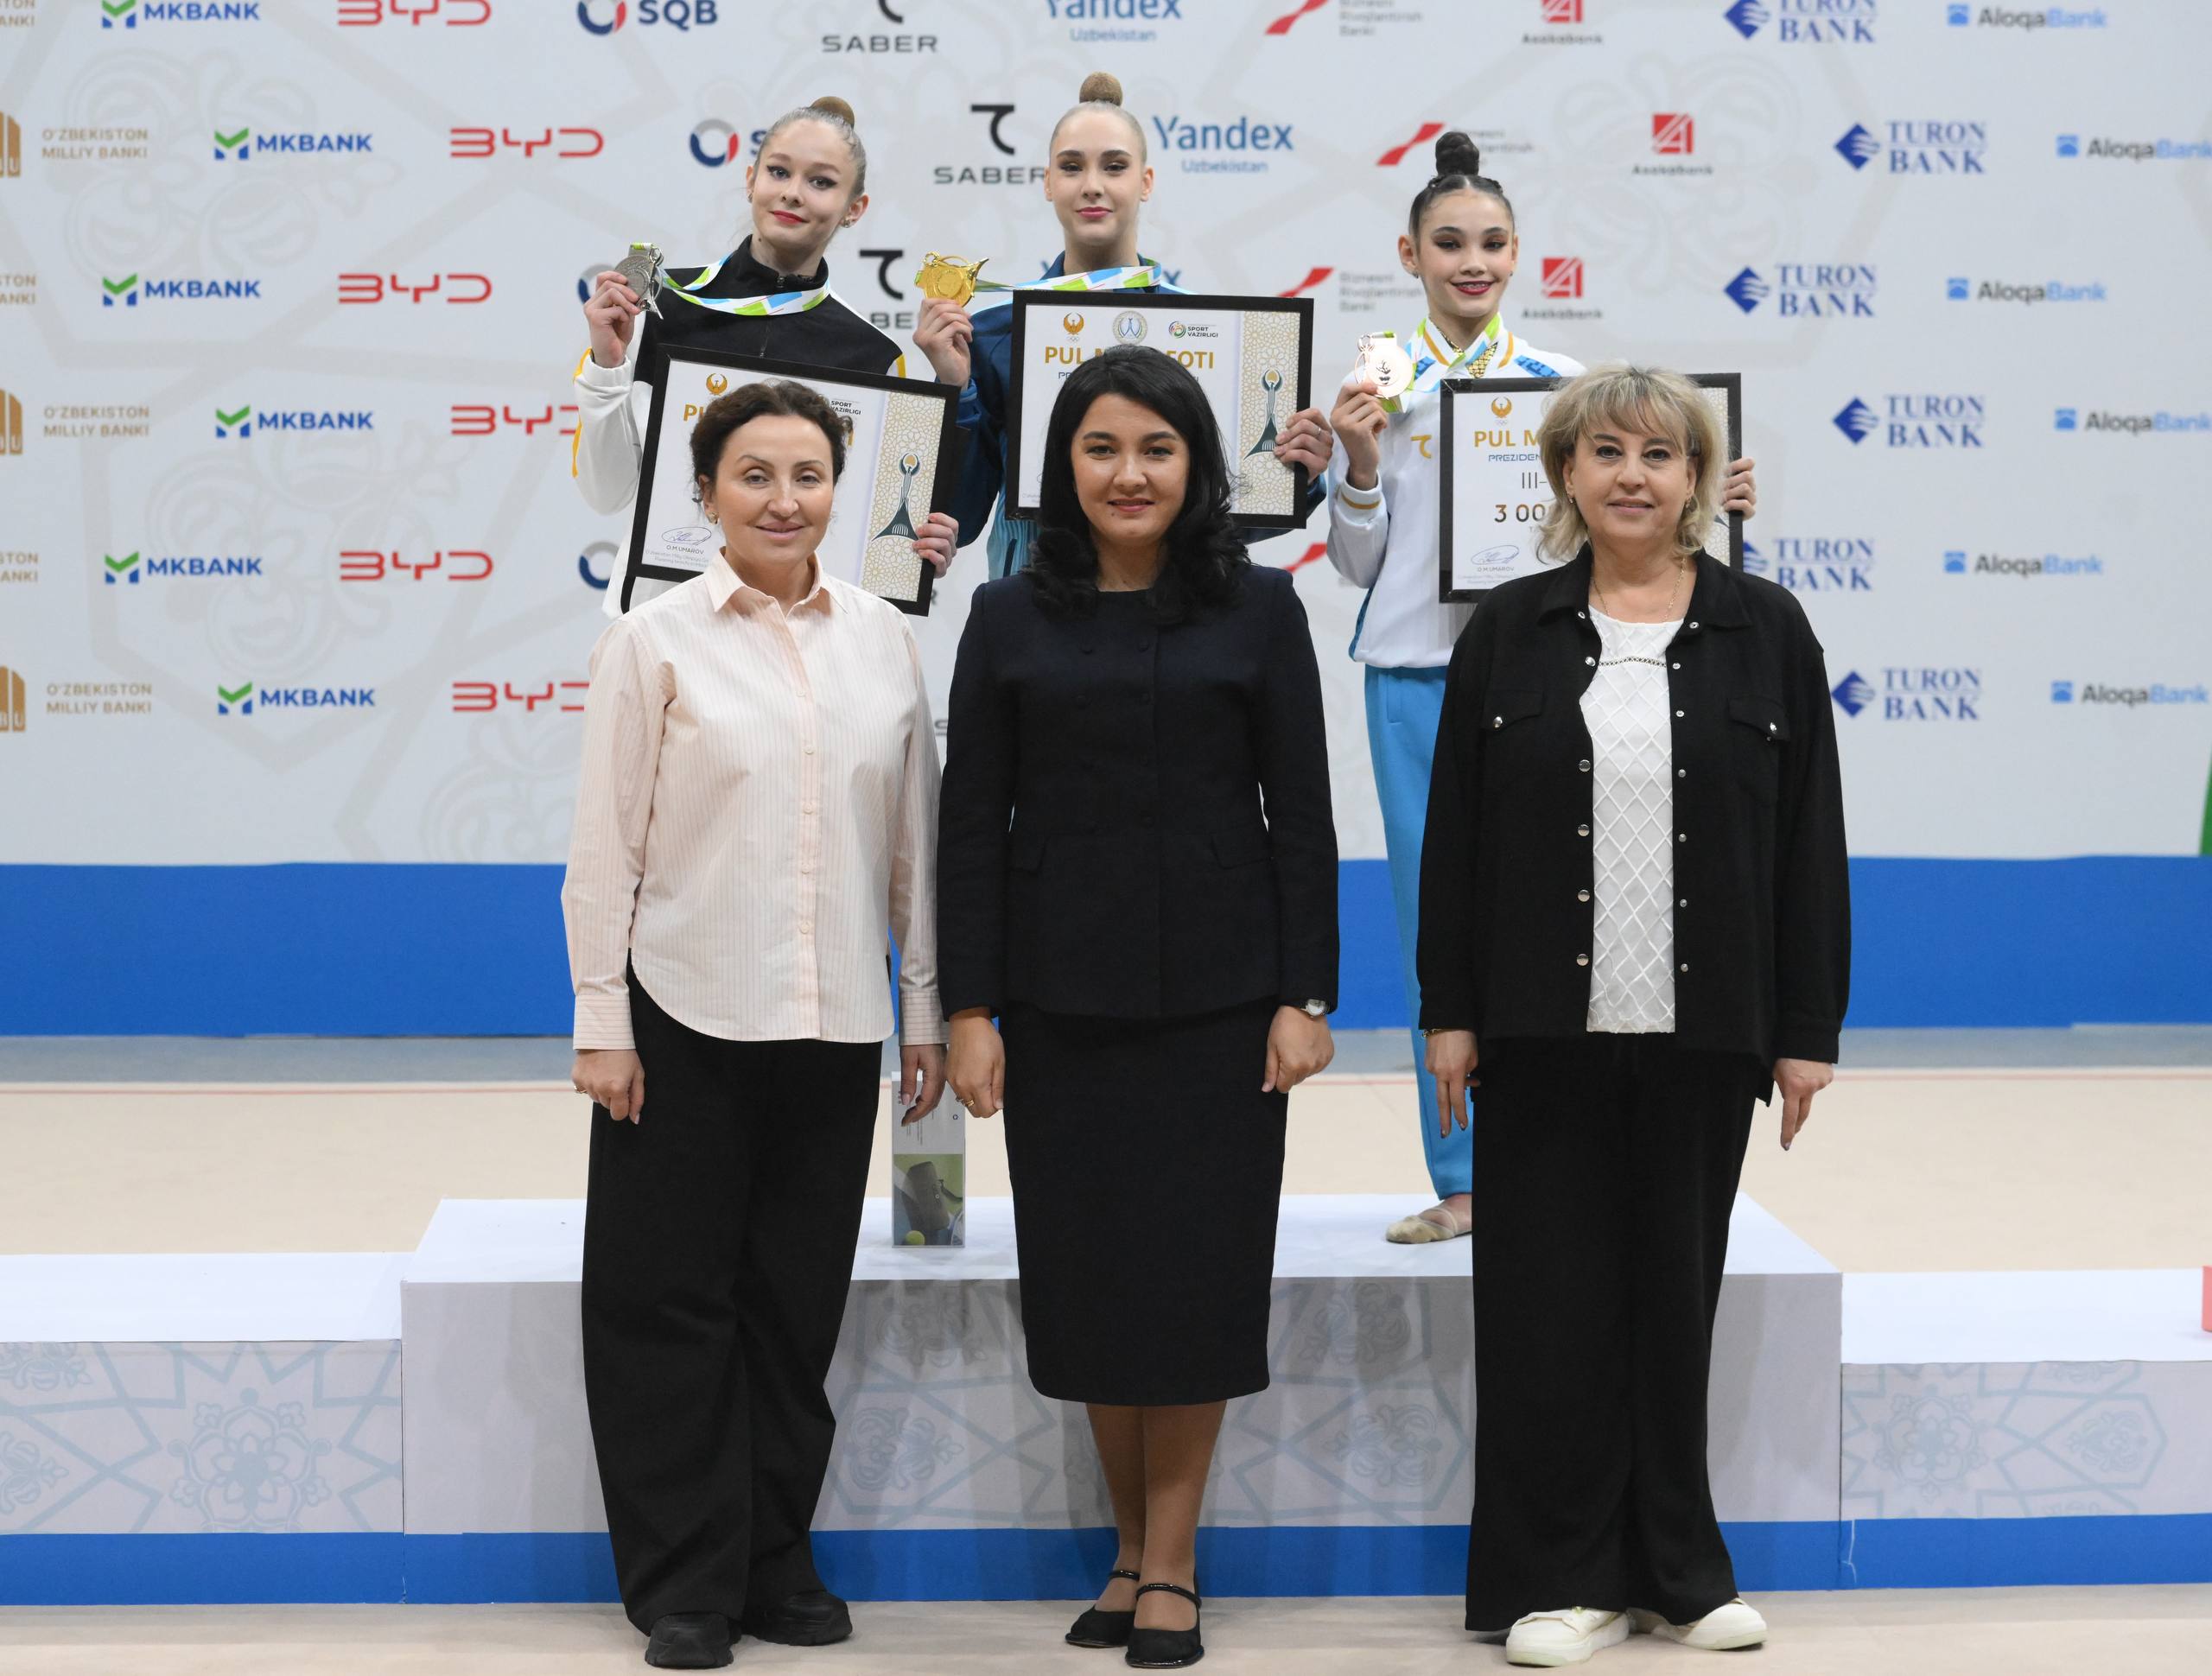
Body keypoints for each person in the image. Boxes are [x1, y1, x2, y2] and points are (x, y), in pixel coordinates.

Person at [1416, 365, 1847, 1667]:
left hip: (1706, 1034)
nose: (1632, 476)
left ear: (1697, 479)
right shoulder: (1509, 629)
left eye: (1660, 454)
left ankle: (1677, 1572)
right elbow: (1455, 841)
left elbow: (1808, 842)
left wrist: (1806, 1030)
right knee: (1548, 1311)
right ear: (1565, 473)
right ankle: (1563, 1580)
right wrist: (1449, 1013)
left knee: (1672, 1303)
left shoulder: (1767, 627)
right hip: (1539, 1030)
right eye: (1605, 451)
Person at [937, 346, 1338, 1669]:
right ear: (1062, 465)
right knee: (1093, 1286)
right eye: (1101, 448)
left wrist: (1306, 994)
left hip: (1224, 1005)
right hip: (1057, 1004)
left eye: (1157, 449)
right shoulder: (1005, 616)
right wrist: (970, 1007)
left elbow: (1303, 817)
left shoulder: (1260, 608)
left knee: (1196, 1286)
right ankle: (1124, 1550)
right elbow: (970, 828)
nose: (1128, 474)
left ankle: (1173, 1563)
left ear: (1197, 465)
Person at [564, 379, 947, 1671]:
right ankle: (684, 1581)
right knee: (666, 1306)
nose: (785, 501)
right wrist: (602, 1020)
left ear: (840, 489)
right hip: (682, 1013)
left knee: (793, 1310)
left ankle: (775, 1560)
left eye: (808, 476)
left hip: (836, 1024)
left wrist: (924, 1010)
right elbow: (604, 850)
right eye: (754, 476)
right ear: (706, 493)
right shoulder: (652, 639)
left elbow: (914, 848)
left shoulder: (883, 638)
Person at [1326, 132, 1761, 1246]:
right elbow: (1358, 565)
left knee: (1555, 908)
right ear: (1409, 256)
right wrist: (1359, 467)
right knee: (1435, 919)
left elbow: (1636, 527)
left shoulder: (1567, 390)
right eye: (1447, 244)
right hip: (1417, 675)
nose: (1470, 262)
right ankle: (1463, 1175)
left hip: (1550, 671)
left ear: (1517, 254)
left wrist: (1721, 500)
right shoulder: (1374, 387)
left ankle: (1555, 1151)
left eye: (1490, 243)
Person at [909, 73, 1332, 580]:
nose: (1093, 185)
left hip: (1176, 604)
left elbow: (1236, 521)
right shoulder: (997, 333)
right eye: (1072, 167)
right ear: (1047, 182)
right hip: (1037, 603)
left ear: (1145, 182)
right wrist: (955, 389)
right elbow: (958, 518)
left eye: (1115, 166)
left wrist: (1297, 475)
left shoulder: (1213, 331)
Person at [573, 95, 957, 615]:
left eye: (821, 182)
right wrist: (608, 366)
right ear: (751, 178)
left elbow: (863, 535)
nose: (793, 192)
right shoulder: (660, 309)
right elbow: (606, 493)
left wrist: (913, 551)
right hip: (661, 624)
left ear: (855, 209)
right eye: (779, 172)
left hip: (801, 633)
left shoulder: (872, 355)